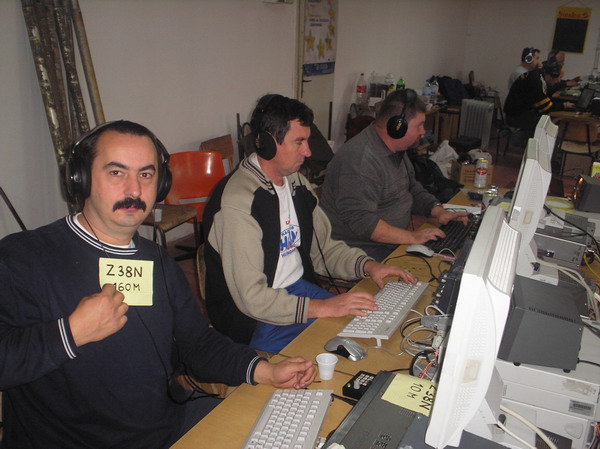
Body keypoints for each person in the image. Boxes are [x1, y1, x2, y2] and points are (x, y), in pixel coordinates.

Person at [0, 120, 317, 448]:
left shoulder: (157, 261)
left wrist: (263, 370)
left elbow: (196, 343)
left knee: (291, 431)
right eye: (116, 172)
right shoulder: (23, 259)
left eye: (146, 174)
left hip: (167, 428)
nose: (134, 190)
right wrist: (70, 333)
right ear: (80, 179)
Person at [203, 94, 415, 354]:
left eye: (306, 140)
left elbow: (324, 248)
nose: (308, 151)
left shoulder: (296, 184)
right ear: (268, 143)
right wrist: (323, 307)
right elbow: (252, 298)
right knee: (343, 351)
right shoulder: (239, 203)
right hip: (256, 319)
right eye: (299, 142)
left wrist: (368, 266)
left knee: (371, 326)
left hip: (299, 293)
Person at [319, 89, 469, 263]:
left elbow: (412, 189)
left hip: (387, 241)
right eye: (419, 125)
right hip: (358, 248)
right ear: (398, 126)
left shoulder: (396, 149)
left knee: (453, 257)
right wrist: (412, 237)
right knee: (433, 267)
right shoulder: (360, 161)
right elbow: (363, 223)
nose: (423, 131)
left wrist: (438, 211)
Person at [504, 59, 575, 136]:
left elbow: (548, 91)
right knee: (550, 121)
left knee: (550, 119)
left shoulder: (538, 75)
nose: (559, 81)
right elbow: (545, 107)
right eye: (560, 77)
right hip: (515, 117)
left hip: (518, 113)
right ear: (554, 74)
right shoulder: (536, 81)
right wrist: (564, 105)